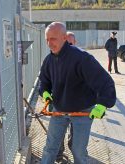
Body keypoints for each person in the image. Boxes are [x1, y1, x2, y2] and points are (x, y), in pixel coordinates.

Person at [39, 22, 116, 164]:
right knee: (50, 148)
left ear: (64, 38)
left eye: (53, 39)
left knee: (78, 151)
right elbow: (44, 80)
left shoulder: (82, 58)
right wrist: (44, 92)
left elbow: (105, 82)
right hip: (59, 110)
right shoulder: (49, 60)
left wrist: (102, 105)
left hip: (82, 110)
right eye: (47, 39)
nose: (49, 43)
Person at [55, 31, 77, 162]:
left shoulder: (83, 58)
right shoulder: (55, 58)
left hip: (77, 104)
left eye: (70, 43)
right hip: (60, 103)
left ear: (74, 43)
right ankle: (58, 154)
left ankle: (75, 150)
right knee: (59, 131)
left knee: (75, 131)